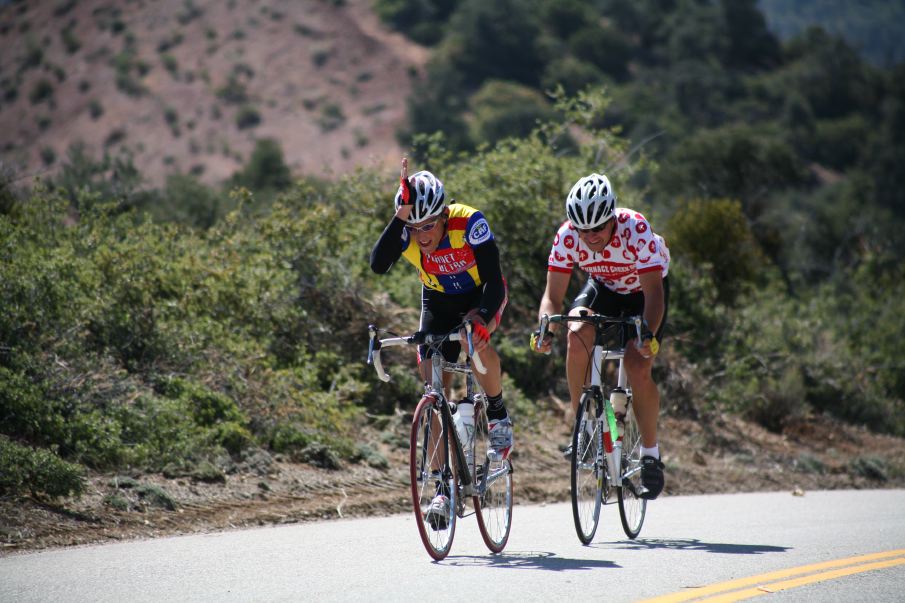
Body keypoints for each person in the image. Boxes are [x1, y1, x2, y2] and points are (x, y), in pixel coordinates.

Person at [370, 158, 513, 526]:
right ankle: (441, 488)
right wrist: (400, 218)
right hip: (438, 300)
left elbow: (495, 279)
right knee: (431, 383)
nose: (422, 236)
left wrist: (481, 318)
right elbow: (377, 263)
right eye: (414, 227)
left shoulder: (470, 222)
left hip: (480, 294)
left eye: (429, 225)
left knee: (476, 347)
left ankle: (496, 412)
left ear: (444, 216)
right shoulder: (408, 229)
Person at [531, 173, 670, 499]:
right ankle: (586, 424)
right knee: (577, 332)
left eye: (598, 229)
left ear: (612, 219)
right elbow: (552, 298)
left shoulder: (634, 228)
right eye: (583, 229)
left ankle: (651, 454)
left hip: (643, 294)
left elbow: (654, 295)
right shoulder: (567, 236)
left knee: (637, 364)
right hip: (604, 289)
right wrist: (545, 327)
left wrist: (645, 336)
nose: (590, 236)